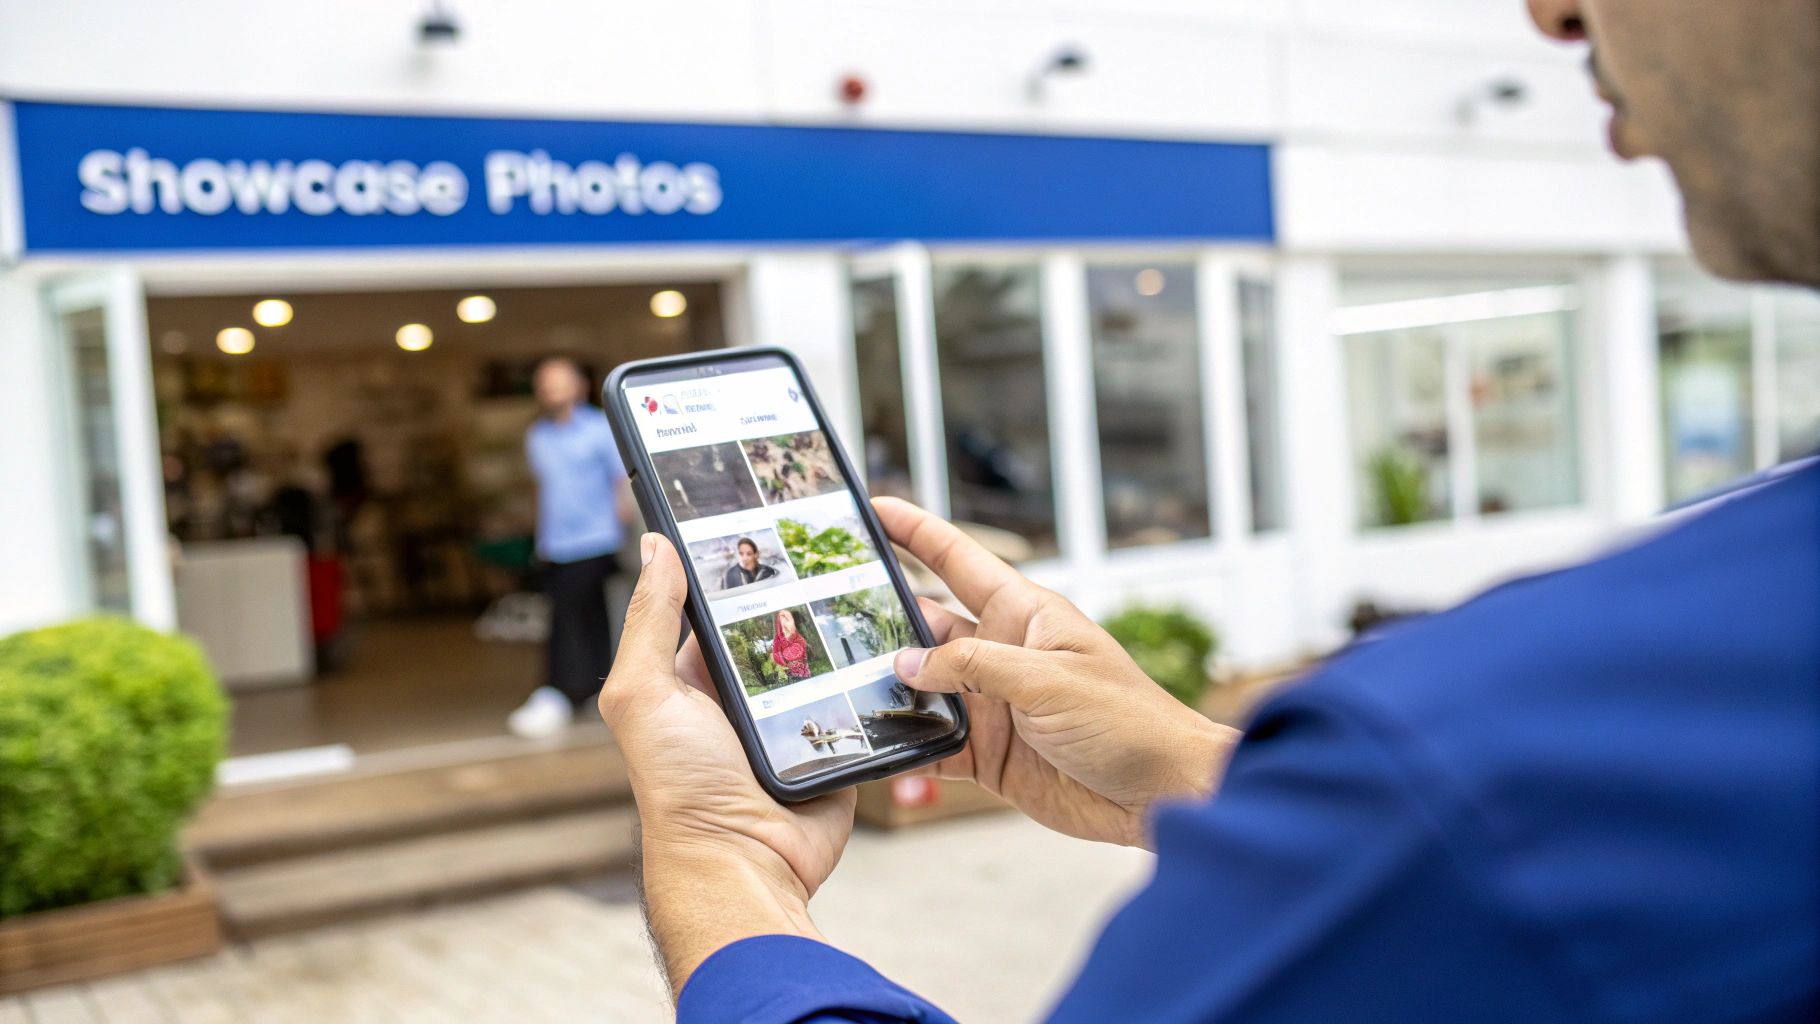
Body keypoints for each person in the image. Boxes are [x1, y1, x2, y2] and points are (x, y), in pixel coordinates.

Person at [596, 2, 1819, 1020]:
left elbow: (1478, 854)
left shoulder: (1467, 780)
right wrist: (1191, 772)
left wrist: (726, 872)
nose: (1545, 13)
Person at [507, 356, 633, 739]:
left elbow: (621, 481)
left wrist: (621, 524)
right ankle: (590, 689)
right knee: (575, 614)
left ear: (578, 385)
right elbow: (543, 490)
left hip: (595, 538)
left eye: (558, 381)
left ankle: (561, 690)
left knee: (575, 616)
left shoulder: (598, 429)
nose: (550, 389)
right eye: (544, 382)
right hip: (556, 542)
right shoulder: (538, 437)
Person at [770, 609, 812, 679]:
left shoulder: (799, 638)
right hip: (791, 675)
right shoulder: (778, 642)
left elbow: (806, 652)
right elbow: (777, 657)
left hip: (804, 673)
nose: (784, 630)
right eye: (782, 627)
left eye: (786, 627)